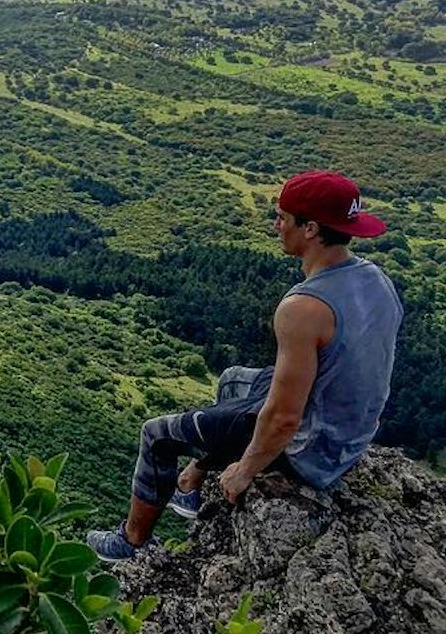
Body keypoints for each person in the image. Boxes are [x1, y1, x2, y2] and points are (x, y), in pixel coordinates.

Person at [87, 170, 403, 562]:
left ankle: (130, 543)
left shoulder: (303, 308)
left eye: (283, 218)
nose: (276, 225)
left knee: (156, 434)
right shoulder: (376, 279)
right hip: (350, 433)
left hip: (312, 449)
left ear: (310, 228)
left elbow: (285, 418)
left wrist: (245, 469)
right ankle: (195, 477)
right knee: (233, 380)